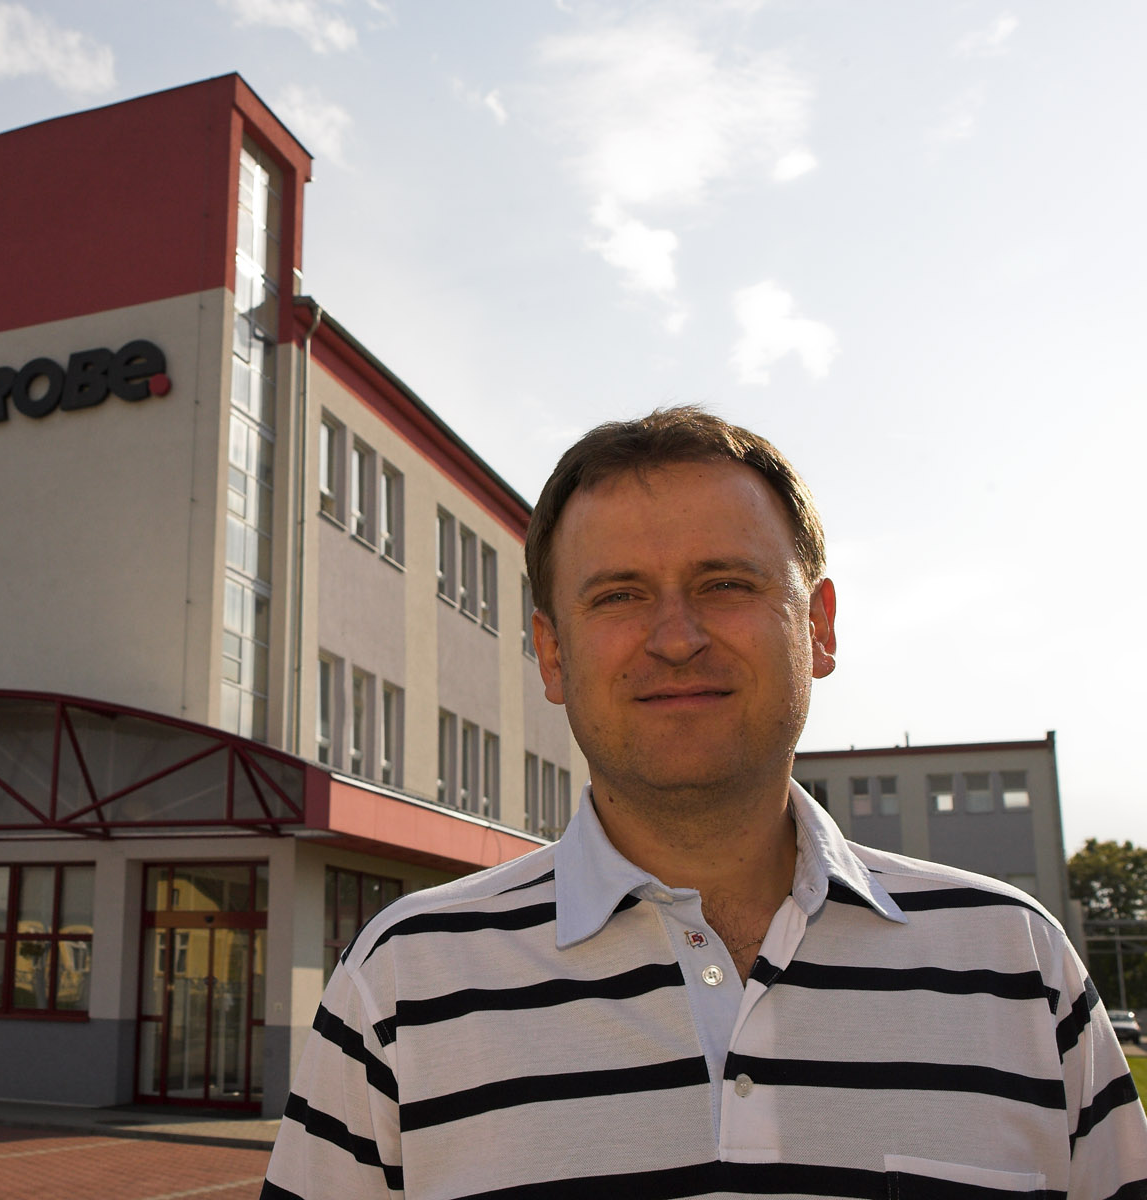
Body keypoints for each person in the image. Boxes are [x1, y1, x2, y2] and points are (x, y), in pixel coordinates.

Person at [262, 407, 1147, 1200]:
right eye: (619, 596)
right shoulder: (400, 985)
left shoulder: (1020, 968)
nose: (677, 638)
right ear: (553, 654)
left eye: (726, 584)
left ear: (819, 627)